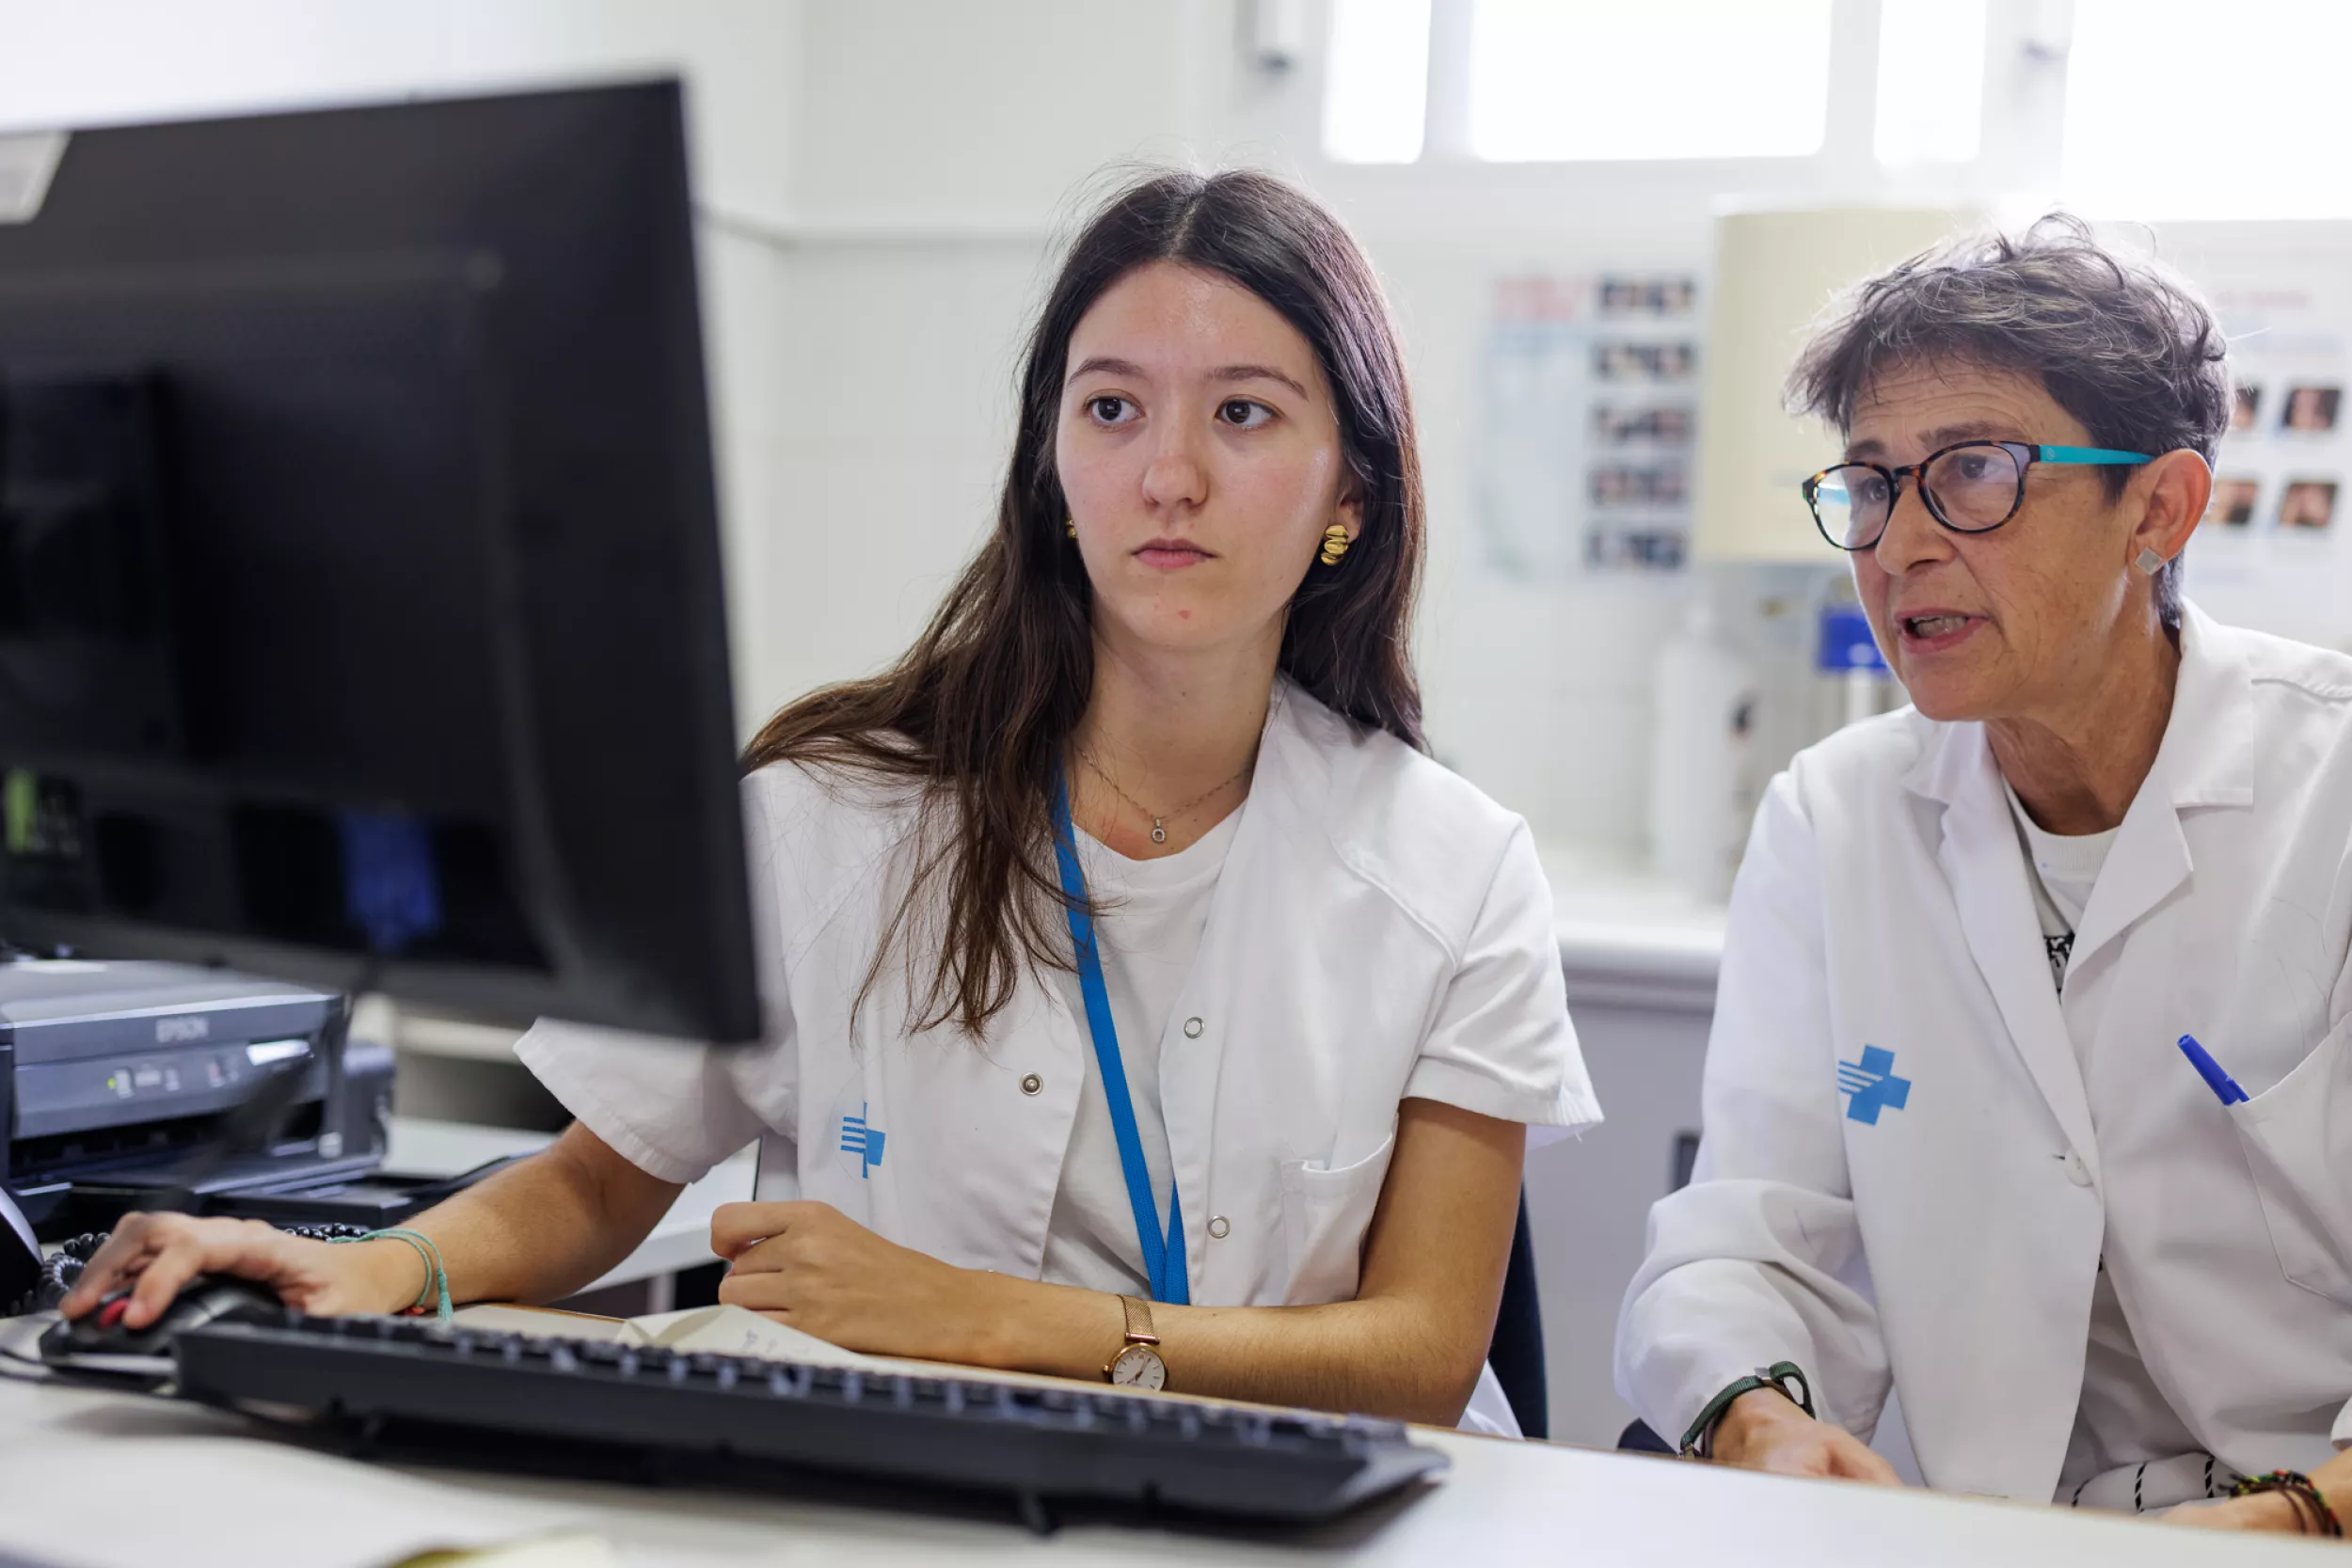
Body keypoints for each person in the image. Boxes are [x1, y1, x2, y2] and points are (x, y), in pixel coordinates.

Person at [62, 167, 1597, 1434]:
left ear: (1351, 495)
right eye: (1113, 408)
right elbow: (600, 1175)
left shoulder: (1455, 873)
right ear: (1051, 467)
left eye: (1245, 413)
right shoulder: (834, 814)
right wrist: (365, 1265)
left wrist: (992, 1319)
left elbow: (1418, 1354)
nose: (1168, 475)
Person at [1614, 216, 2352, 1538]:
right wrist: (1759, 1412)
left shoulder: (2333, 794)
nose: (1899, 544)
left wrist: (2297, 1519)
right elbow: (1741, 1238)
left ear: (2160, 507)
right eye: (1872, 483)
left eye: (1974, 473)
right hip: (1976, 1530)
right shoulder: (1834, 818)